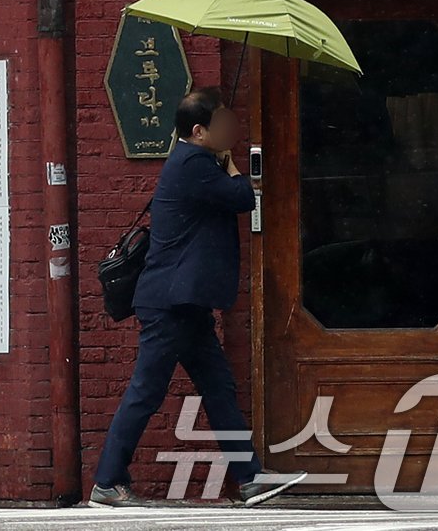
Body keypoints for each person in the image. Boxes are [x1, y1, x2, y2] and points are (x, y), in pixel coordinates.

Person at [89, 88, 307, 508]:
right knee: (146, 391)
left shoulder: (199, 162)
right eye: (223, 122)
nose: (233, 129)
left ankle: (249, 479)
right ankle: (107, 480)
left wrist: (224, 160)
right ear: (198, 130)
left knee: (219, 389)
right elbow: (245, 196)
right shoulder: (192, 164)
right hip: (170, 304)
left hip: (186, 304)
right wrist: (234, 166)